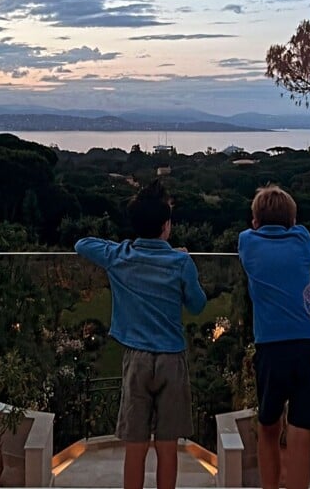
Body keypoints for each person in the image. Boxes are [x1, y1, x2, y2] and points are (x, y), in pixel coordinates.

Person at [75, 180, 207, 489]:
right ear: (166, 226)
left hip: (136, 360)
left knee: (135, 446)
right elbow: (198, 305)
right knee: (167, 446)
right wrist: (182, 259)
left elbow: (82, 244)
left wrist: (121, 247)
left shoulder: (120, 255)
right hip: (172, 360)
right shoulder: (179, 261)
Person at [238, 185, 310, 489]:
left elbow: (257, 233)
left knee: (268, 426)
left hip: (272, 346)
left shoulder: (247, 243)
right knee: (301, 430)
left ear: (255, 221)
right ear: (291, 221)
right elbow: (303, 240)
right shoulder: (302, 239)